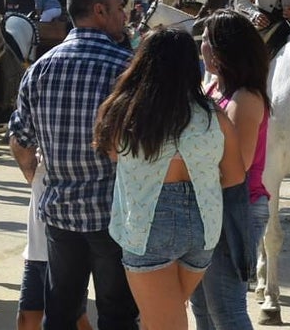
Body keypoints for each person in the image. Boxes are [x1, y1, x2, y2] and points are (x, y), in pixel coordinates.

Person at [8, 0, 139, 330]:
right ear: (99, 11)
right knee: (118, 316)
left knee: (60, 314)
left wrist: (38, 179)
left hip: (59, 216)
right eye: (119, 8)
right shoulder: (127, 67)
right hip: (113, 216)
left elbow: (20, 140)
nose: (124, 15)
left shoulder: (40, 68)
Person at [94, 28, 234, 330]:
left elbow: (113, 154)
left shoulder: (125, 111)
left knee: (163, 323)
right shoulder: (214, 115)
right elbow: (235, 174)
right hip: (204, 223)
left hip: (147, 222)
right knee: (161, 318)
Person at [190, 10, 271, 330]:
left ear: (224, 48)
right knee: (203, 307)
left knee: (226, 308)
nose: (202, 47)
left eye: (206, 40)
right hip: (215, 207)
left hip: (237, 208)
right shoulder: (214, 88)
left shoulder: (245, 98)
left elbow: (238, 166)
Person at [17, 159, 92, 330]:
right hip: (36, 251)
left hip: (65, 252)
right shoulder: (39, 158)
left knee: (76, 319)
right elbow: (19, 146)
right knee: (26, 319)